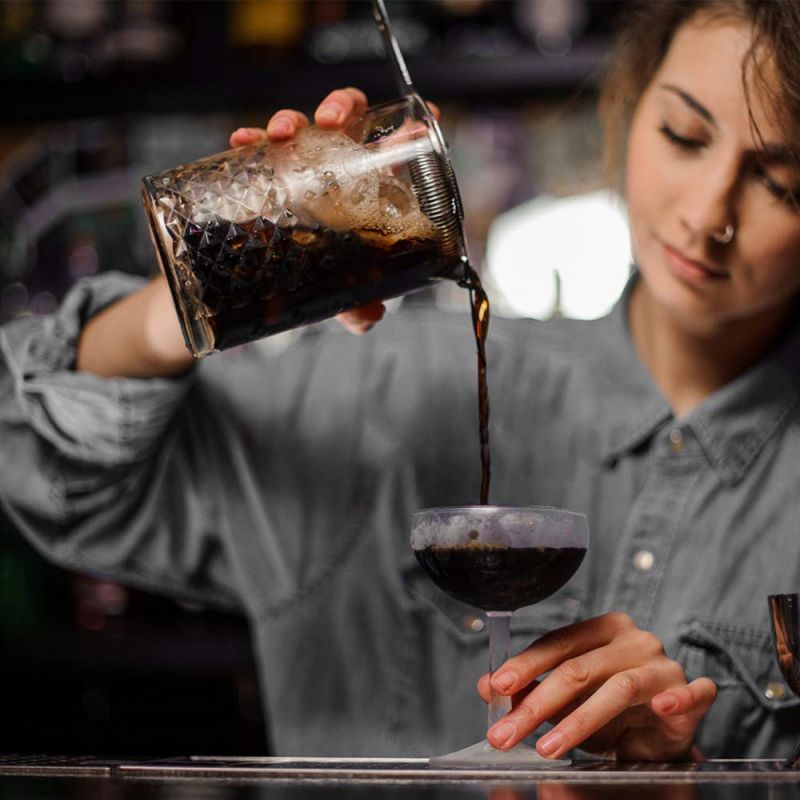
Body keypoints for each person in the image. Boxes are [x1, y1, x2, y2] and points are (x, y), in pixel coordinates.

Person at [2, 0, 800, 761]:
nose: (708, 212)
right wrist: (240, 257)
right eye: (684, 135)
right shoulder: (395, 387)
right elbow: (43, 471)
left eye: (781, 183)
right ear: (628, 110)